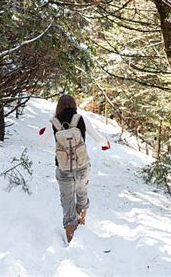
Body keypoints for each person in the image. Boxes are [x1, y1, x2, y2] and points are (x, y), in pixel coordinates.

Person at [46, 94, 110, 243]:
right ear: (74, 105)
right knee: (81, 193)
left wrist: (44, 132)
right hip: (81, 166)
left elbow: (40, 142)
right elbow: (98, 138)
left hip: (63, 168)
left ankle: (70, 235)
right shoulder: (80, 119)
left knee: (67, 200)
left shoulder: (53, 122)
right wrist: (105, 143)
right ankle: (81, 223)